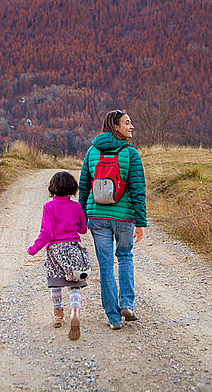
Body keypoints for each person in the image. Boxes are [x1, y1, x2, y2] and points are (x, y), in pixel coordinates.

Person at [78, 109, 147, 330]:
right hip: (124, 218)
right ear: (115, 126)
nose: (131, 126)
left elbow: (84, 186)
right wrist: (141, 221)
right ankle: (127, 303)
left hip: (97, 216)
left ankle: (113, 318)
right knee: (125, 257)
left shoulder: (92, 152)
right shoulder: (131, 154)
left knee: (106, 266)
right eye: (127, 123)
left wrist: (81, 215)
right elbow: (138, 190)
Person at [28, 170, 90, 340]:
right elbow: (82, 229)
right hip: (72, 247)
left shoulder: (48, 207)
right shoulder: (76, 206)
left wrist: (34, 248)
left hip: (55, 250)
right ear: (72, 188)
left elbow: (46, 233)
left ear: (52, 188)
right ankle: (75, 310)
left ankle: (57, 314)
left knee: (55, 282)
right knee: (74, 282)